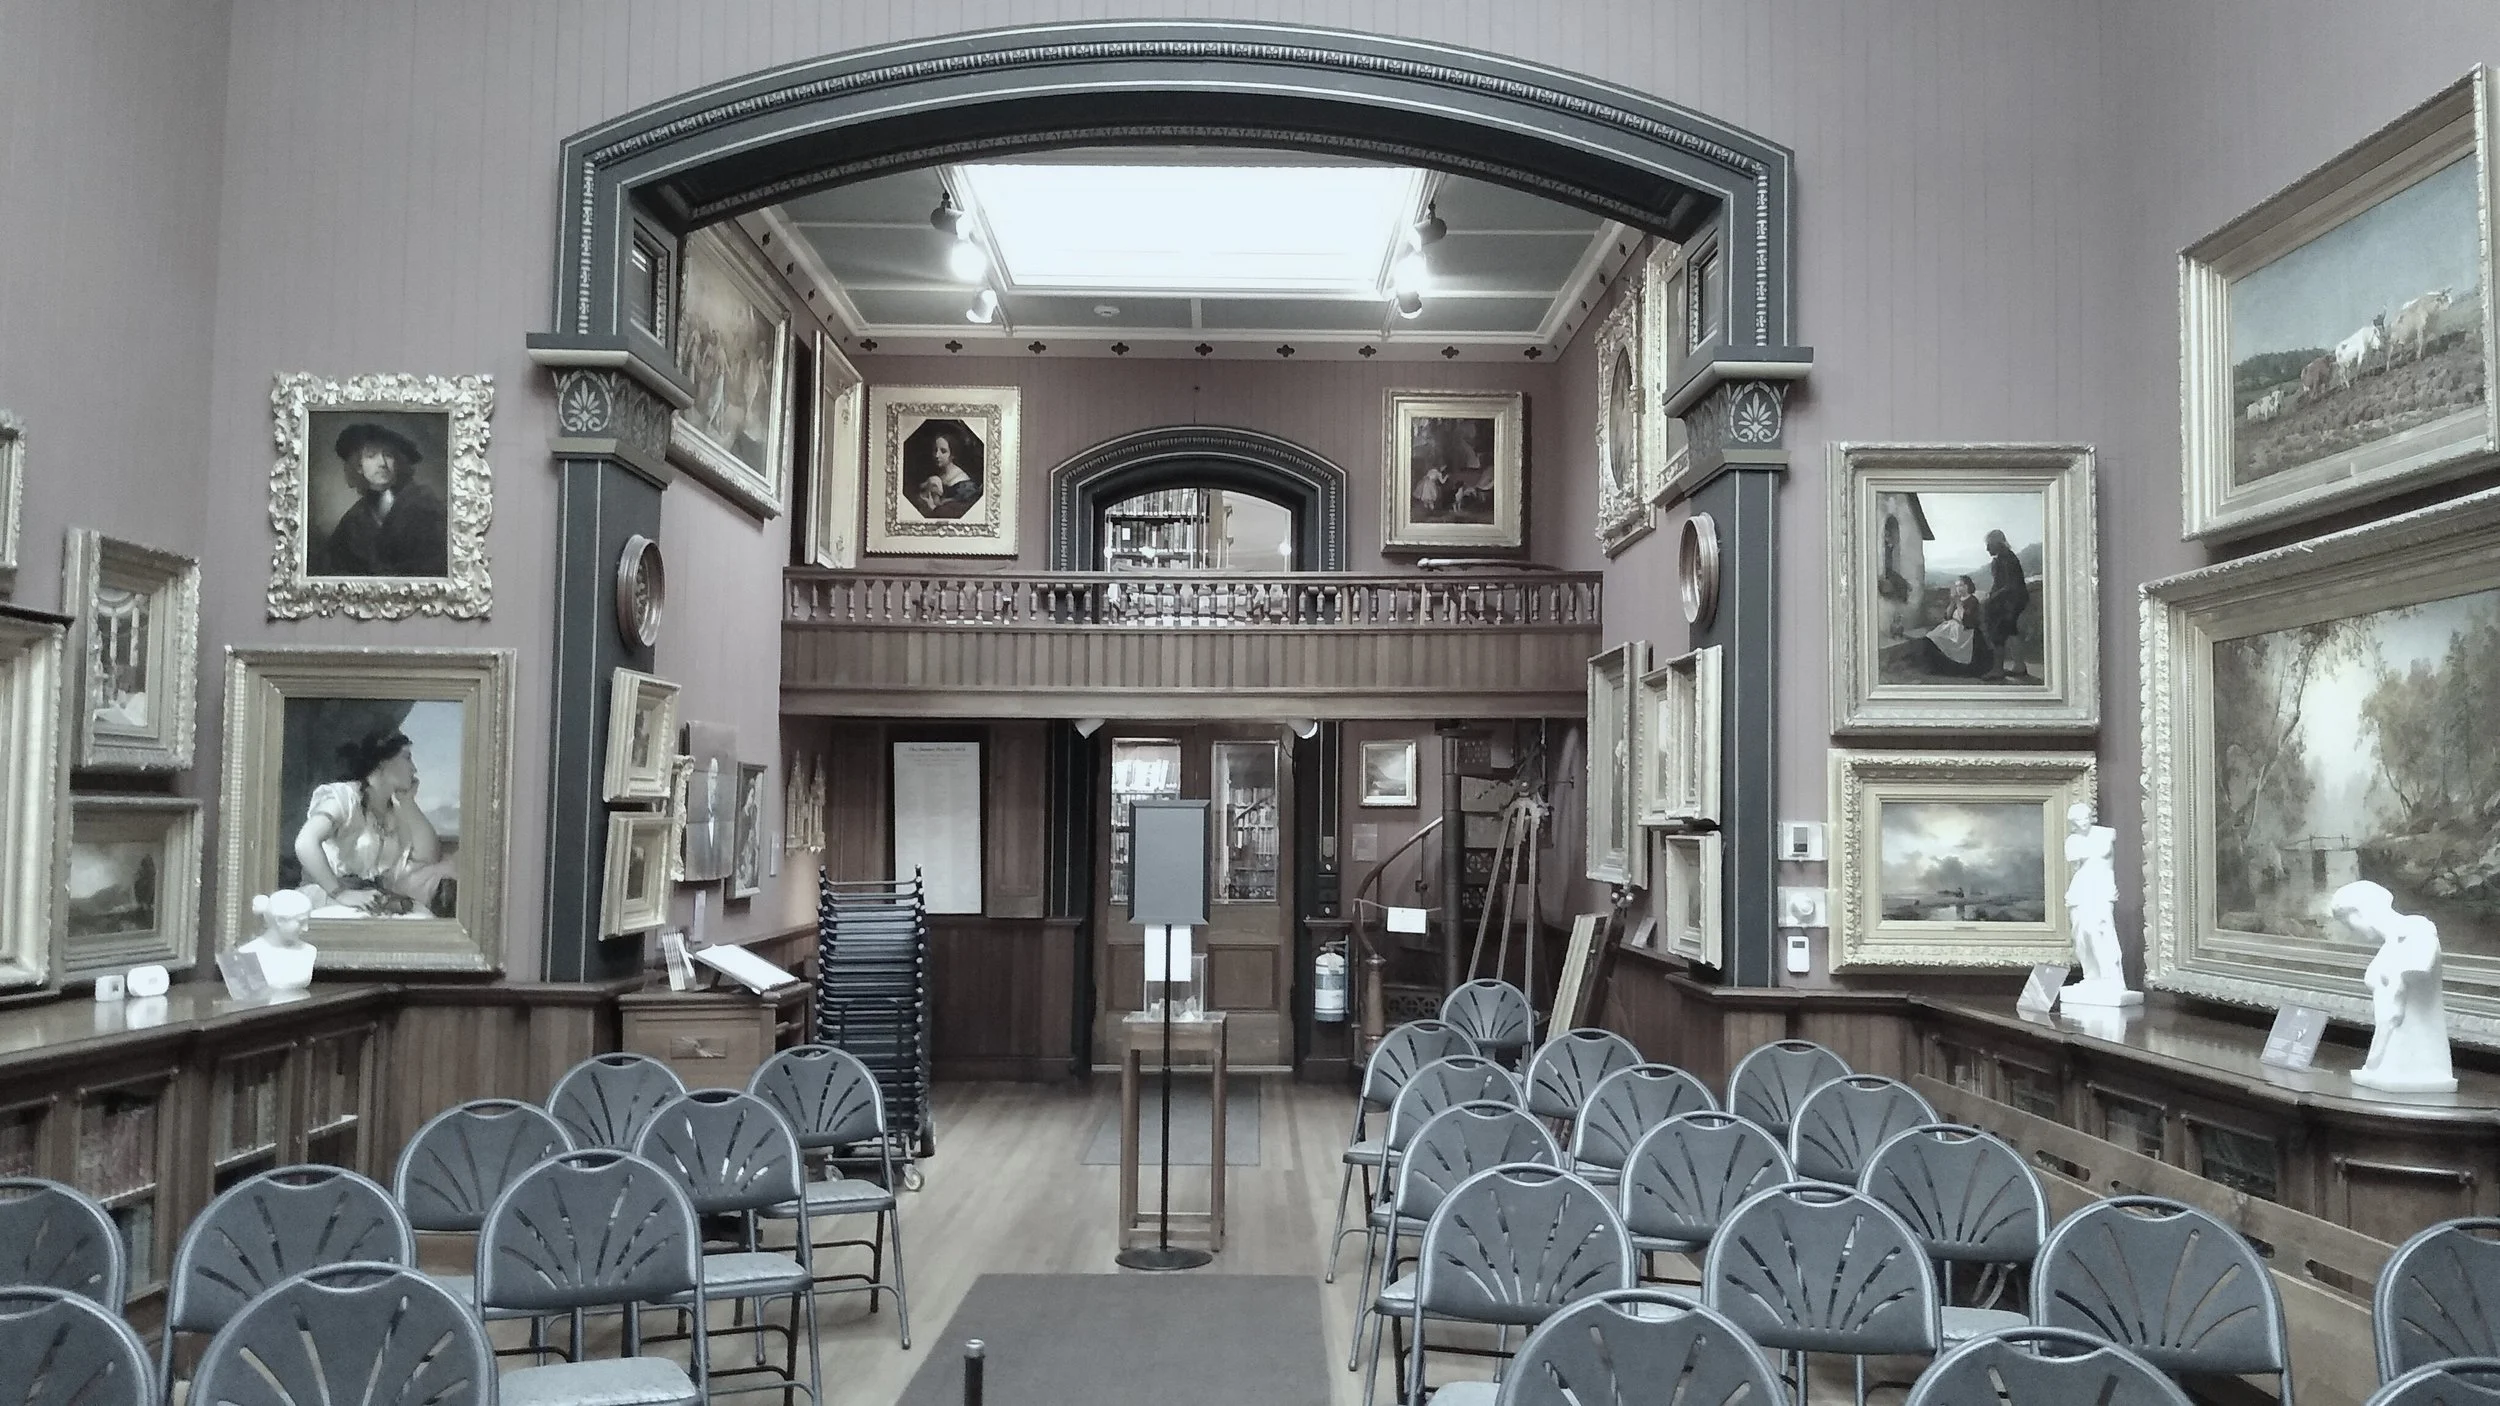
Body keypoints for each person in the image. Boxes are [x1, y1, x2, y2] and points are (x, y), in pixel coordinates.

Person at [292, 729, 459, 918]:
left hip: (367, 898)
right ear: (382, 762)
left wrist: (408, 802)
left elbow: (428, 857)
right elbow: (305, 843)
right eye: (407, 758)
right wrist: (341, 893)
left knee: (423, 919)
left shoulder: (394, 813)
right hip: (326, 896)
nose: (414, 769)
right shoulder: (344, 798)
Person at [2335, 880, 2457, 1093]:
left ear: (2360, 912)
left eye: (2347, 922)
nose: (2351, 930)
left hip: (2415, 1055)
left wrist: (2397, 987)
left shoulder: (2418, 931)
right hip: (2389, 1051)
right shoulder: (2389, 945)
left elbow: (2417, 968)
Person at [314, 422, 447, 577]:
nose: (382, 464)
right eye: (371, 456)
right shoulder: (353, 520)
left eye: (389, 455)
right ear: (359, 466)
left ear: (398, 462)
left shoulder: (426, 505)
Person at [1912, 576, 1994, 678]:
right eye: (1957, 586)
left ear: (1968, 586)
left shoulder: (1972, 600)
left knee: (1944, 641)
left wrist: (1958, 603)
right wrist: (1952, 602)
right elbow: (1947, 616)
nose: (1958, 588)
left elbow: (1965, 619)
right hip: (1952, 627)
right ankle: (1935, 667)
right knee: (1931, 638)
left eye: (1961, 585)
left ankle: (1954, 669)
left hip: (1966, 631)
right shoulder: (1957, 600)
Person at [1980, 528, 2031, 682]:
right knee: (2011, 632)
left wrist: (1992, 598)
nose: (1987, 548)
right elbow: (2001, 583)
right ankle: (2019, 667)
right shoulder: (2007, 557)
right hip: (2014, 601)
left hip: (2009, 602)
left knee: (1998, 633)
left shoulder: (2005, 559)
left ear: (1997, 543)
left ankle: (1998, 670)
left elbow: (2009, 585)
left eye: (1989, 544)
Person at [911, 431, 979, 520]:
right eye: (935, 450)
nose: (937, 455)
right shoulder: (939, 475)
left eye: (943, 451)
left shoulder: (964, 485)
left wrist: (933, 508)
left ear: (952, 455)